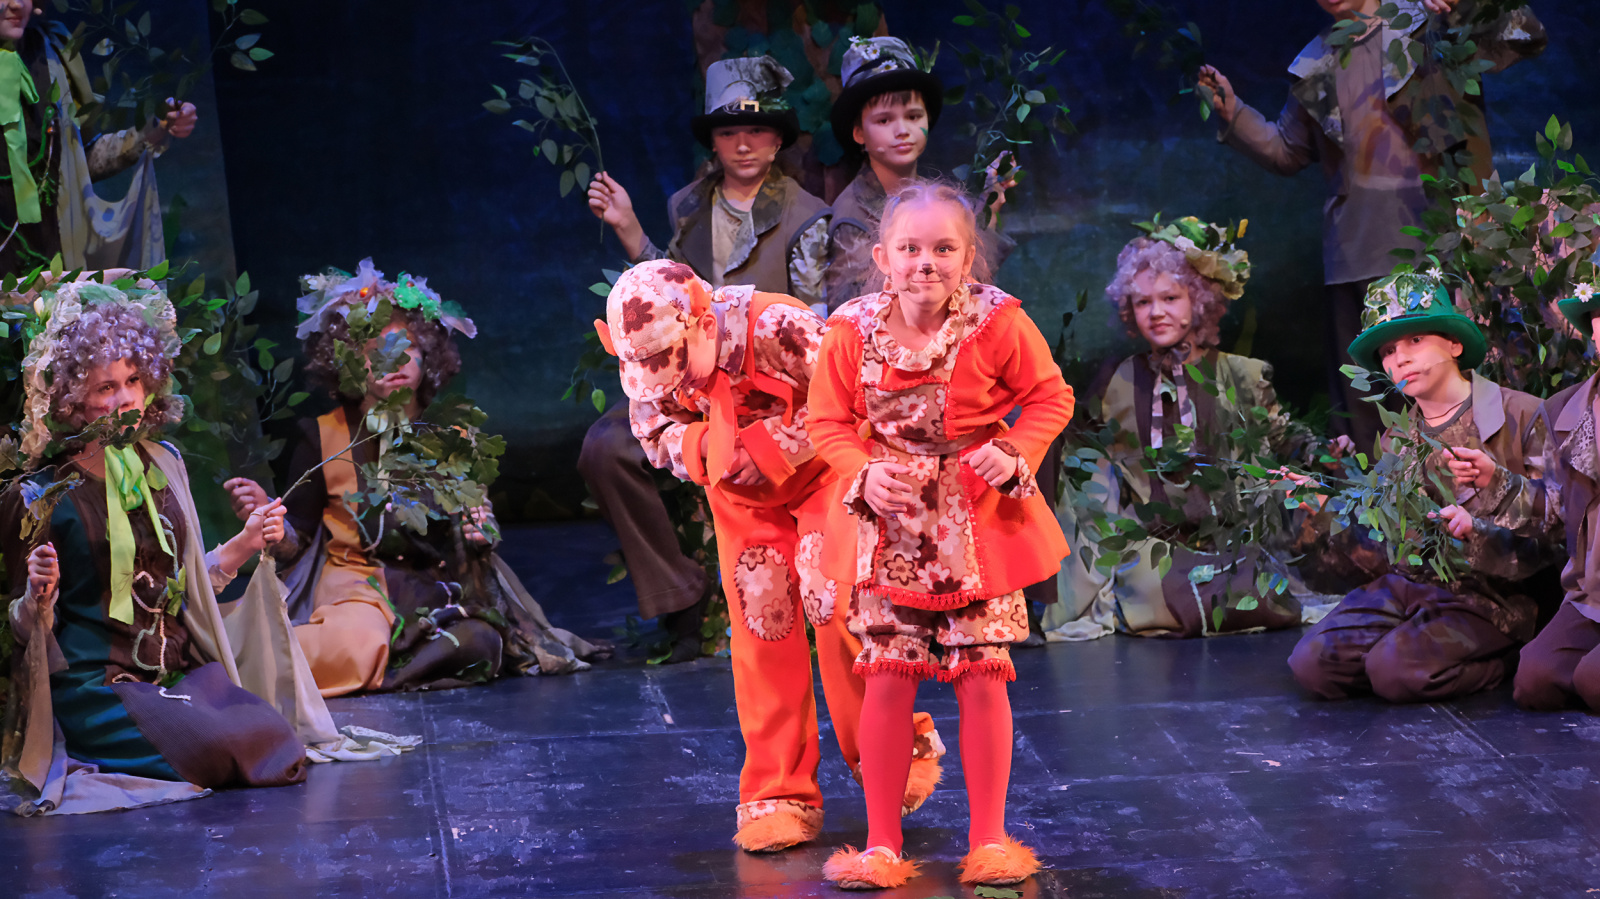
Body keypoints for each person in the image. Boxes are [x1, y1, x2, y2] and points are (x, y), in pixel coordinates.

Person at [595, 259, 942, 853]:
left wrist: (768, 445)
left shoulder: (776, 327)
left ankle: (890, 757)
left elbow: (855, 394)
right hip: (742, 498)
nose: (670, 384)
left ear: (704, 325)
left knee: (834, 603)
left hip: (824, 475)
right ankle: (779, 792)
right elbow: (653, 435)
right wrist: (705, 445)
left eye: (676, 365)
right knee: (763, 626)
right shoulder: (648, 361)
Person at [808, 179, 1073, 889]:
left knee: (983, 675)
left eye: (943, 248)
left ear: (968, 254)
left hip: (976, 521)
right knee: (887, 677)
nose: (925, 262)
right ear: (882, 257)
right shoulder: (850, 330)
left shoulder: (997, 322)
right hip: (891, 523)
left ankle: (989, 838)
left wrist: (1015, 450)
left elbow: (1051, 396)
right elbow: (826, 421)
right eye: (909, 248)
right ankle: (881, 844)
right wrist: (862, 471)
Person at [1, 276, 329, 815]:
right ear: (72, 397)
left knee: (271, 736)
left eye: (133, 379)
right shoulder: (41, 493)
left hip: (175, 673)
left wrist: (247, 541)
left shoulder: (164, 463)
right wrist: (40, 596)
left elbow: (184, 584)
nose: (127, 397)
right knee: (221, 749)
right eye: (106, 388)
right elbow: (21, 631)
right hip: (98, 686)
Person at [223, 261, 603, 696]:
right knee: (356, 645)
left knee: (481, 643)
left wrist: (479, 535)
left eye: (407, 347)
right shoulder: (324, 436)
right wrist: (271, 523)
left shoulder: (454, 435)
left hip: (433, 591)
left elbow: (474, 531)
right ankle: (258, 658)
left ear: (428, 355)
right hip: (357, 586)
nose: (394, 361)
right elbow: (299, 541)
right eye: (375, 351)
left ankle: (388, 671)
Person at [1197, 0, 1545, 447]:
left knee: (1451, 392)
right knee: (1366, 410)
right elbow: (1288, 150)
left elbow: (1524, 36)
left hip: (1439, 241)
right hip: (1354, 250)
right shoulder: (1319, 59)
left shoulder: (1428, 21)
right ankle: (1377, 492)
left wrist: (1465, 6)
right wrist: (1235, 114)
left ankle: (1467, 487)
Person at [580, 56, 830, 660]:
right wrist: (630, 229)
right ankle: (679, 595)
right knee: (606, 447)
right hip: (686, 376)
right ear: (712, 141)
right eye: (727, 131)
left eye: (756, 130)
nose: (743, 143)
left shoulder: (804, 215)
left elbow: (813, 326)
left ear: (777, 139)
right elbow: (668, 287)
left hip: (763, 380)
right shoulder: (688, 206)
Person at [1042, 218, 1339, 641]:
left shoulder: (1241, 375)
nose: (1156, 311)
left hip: (1233, 541)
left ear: (1198, 301)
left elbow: (1282, 438)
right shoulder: (1119, 381)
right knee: (1155, 589)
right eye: (1143, 302)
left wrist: (1323, 459)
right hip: (1154, 549)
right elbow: (1083, 460)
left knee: (1253, 588)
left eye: (1170, 298)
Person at [1288, 271, 1557, 701]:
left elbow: (1557, 530)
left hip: (1492, 594)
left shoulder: (1522, 415)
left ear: (1454, 344)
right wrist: (1327, 510)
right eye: (1388, 350)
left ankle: (1507, 658)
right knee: (1313, 664)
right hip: (1413, 585)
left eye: (1415, 340)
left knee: (1395, 672)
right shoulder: (1397, 439)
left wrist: (1477, 531)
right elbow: (1386, 543)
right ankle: (1407, 650)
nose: (1400, 359)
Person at [0, 0, 200, 274]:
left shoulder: (53, 54)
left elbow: (82, 162)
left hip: (53, 266)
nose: (16, 3)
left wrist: (156, 127)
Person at [1476, 284, 1600, 711]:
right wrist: (1495, 481)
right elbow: (1552, 509)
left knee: (1592, 680)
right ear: (1591, 328)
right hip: (1592, 596)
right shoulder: (1565, 410)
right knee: (1535, 682)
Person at [823, 36, 1014, 313]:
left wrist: (989, 205)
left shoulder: (932, 196)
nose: (902, 130)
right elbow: (852, 314)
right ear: (859, 133)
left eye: (913, 116)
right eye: (884, 120)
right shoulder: (852, 217)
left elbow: (968, 284)